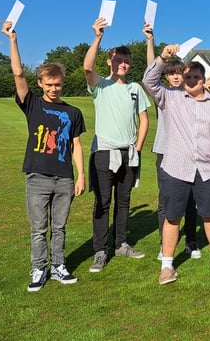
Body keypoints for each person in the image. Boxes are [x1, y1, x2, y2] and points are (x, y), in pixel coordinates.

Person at [144, 45, 210, 284]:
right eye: (188, 77)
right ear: (182, 79)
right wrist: (164, 57)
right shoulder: (169, 97)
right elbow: (149, 81)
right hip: (176, 167)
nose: (192, 80)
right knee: (173, 217)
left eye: (196, 76)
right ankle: (167, 266)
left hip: (208, 170)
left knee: (209, 214)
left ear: (204, 79)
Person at [3, 21, 86, 292]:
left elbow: (76, 144)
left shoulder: (73, 112)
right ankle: (39, 268)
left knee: (59, 227)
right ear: (40, 84)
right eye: (49, 84)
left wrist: (81, 175)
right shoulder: (32, 104)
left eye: (58, 85)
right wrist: (12, 40)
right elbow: (17, 74)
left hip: (64, 178)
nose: (54, 89)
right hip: (37, 176)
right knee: (39, 229)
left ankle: (58, 266)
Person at [84, 18, 150, 273]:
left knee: (124, 201)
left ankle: (121, 243)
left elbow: (143, 119)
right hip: (104, 152)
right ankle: (100, 251)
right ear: (109, 61)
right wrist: (97, 38)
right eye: (117, 59)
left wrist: (139, 146)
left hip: (129, 153)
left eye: (126, 61)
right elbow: (87, 68)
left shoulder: (135, 88)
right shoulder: (101, 85)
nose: (122, 64)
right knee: (102, 202)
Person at [144, 24, 201, 260]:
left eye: (180, 73)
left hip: (189, 153)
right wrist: (152, 43)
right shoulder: (163, 95)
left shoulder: (191, 94)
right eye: (171, 73)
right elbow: (150, 74)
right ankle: (163, 244)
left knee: (190, 201)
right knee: (165, 201)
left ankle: (191, 240)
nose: (176, 76)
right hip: (165, 153)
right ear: (166, 76)